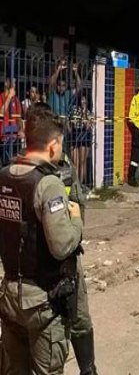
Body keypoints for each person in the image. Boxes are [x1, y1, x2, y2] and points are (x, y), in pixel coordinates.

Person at [0, 107, 83, 373]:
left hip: (10, 295)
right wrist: (76, 221)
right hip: (42, 302)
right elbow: (61, 246)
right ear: (53, 145)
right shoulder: (48, 184)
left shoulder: (4, 176)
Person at [29, 104, 98, 374]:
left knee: (81, 317)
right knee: (49, 331)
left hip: (70, 255)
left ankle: (89, 369)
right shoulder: (27, 171)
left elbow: (78, 199)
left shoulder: (66, 164)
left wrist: (76, 232)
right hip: (42, 266)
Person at [70, 93, 93, 188]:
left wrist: (86, 121)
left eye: (85, 100)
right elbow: (74, 123)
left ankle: (80, 185)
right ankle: (75, 184)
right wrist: (82, 121)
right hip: (75, 136)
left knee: (82, 163)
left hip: (85, 138)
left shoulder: (89, 112)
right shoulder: (75, 109)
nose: (83, 102)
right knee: (75, 163)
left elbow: (89, 126)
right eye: (82, 100)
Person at [0, 79, 24, 165]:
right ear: (6, 83)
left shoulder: (16, 100)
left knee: (15, 164)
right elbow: (0, 114)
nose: (14, 84)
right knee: (5, 165)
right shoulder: (1, 97)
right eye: (12, 82)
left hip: (15, 137)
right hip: (3, 137)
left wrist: (21, 130)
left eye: (15, 82)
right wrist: (9, 96)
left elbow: (19, 118)